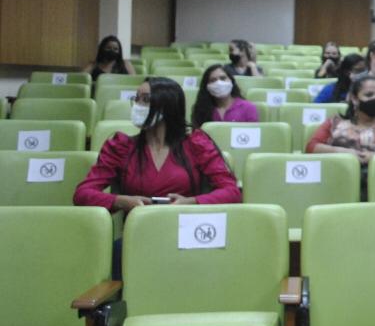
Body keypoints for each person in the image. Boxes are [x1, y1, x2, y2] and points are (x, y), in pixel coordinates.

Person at [73, 77, 242, 278]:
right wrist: (120, 201)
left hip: (187, 231)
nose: (137, 106)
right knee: (119, 252)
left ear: (167, 106)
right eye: (136, 99)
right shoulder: (121, 146)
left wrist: (192, 202)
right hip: (139, 234)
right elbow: (82, 194)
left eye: (145, 100)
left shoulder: (196, 143)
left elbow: (231, 192)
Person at [306, 73, 375, 167]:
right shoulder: (334, 123)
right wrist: (343, 152)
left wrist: (373, 156)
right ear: (354, 99)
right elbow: (311, 147)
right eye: (369, 95)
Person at [190, 65, 259, 128]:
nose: (219, 83)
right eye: (213, 80)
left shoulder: (248, 108)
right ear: (207, 87)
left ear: (231, 81)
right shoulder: (200, 109)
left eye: (223, 78)